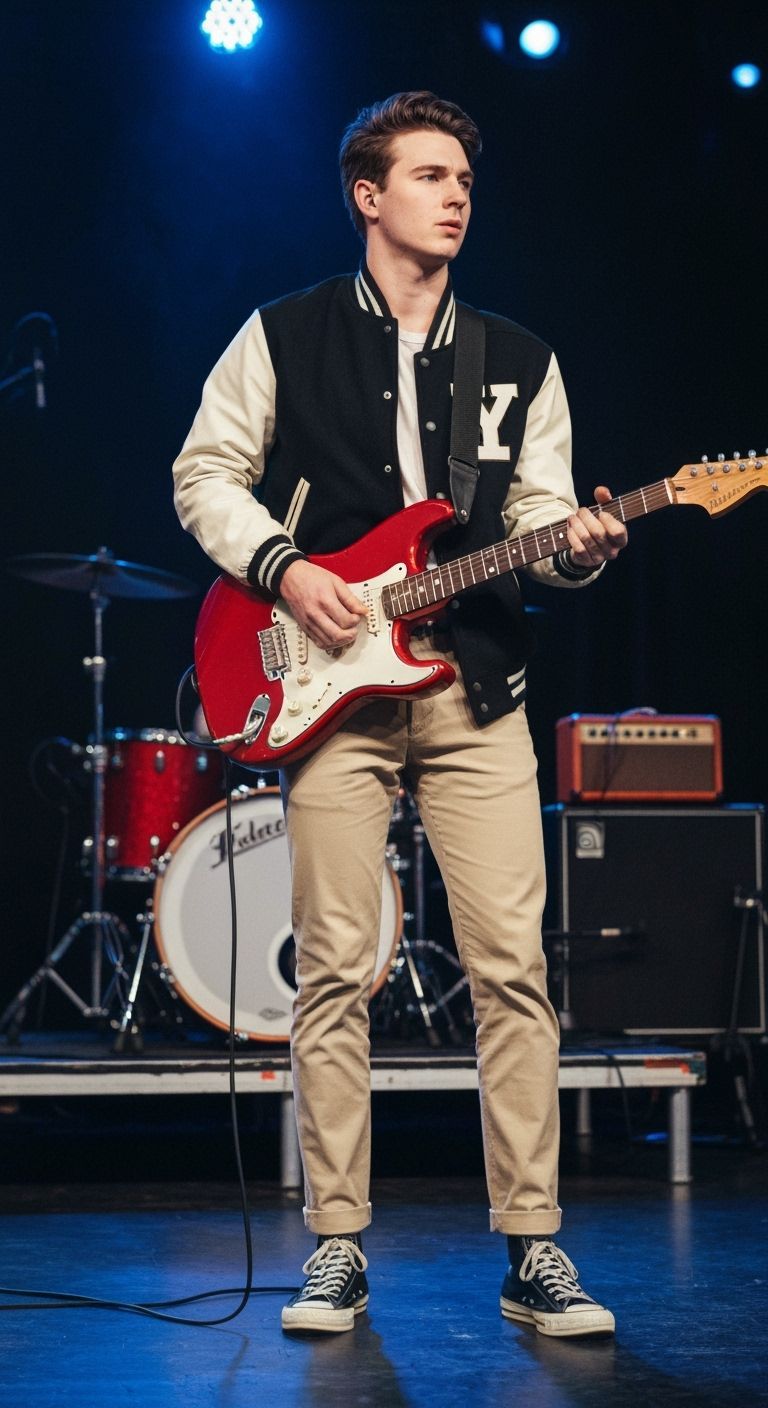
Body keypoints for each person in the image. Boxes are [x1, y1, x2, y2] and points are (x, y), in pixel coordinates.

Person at [173, 91, 627, 1339]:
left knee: (513, 971)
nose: (456, 193)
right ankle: (334, 1247)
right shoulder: (282, 334)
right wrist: (284, 568)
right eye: (429, 175)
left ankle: (533, 1249)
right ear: (367, 196)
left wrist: (578, 548)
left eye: (465, 177)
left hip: (477, 690)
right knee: (332, 971)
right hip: (328, 693)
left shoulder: (519, 358)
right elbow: (203, 473)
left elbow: (539, 530)